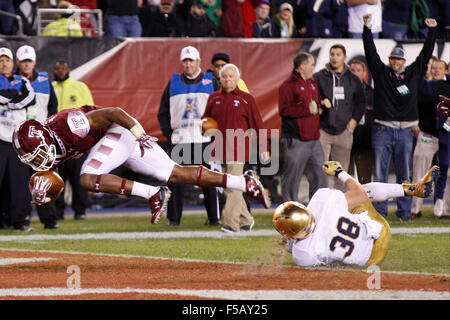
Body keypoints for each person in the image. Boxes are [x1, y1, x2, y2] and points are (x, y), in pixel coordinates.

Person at [12, 105, 271, 226]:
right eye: (32, 158)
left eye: (36, 154)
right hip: (115, 143)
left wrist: (137, 132)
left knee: (87, 178)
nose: (37, 161)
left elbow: (113, 112)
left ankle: (152, 193)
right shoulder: (48, 148)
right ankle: (244, 182)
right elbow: (54, 181)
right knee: (175, 173)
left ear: (45, 139)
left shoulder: (69, 124)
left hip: (121, 130)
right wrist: (45, 194)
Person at [273, 161, 439, 267]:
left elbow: (307, 248)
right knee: (362, 191)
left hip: (370, 260)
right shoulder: (322, 200)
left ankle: (417, 188)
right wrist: (340, 172)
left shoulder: (302, 255)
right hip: (380, 234)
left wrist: (290, 243)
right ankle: (414, 188)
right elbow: (360, 194)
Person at [362, 13, 437, 221]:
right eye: (393, 58)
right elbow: (370, 52)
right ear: (390, 60)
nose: (396, 62)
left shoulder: (413, 73)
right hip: (382, 129)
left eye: (399, 59)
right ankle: (380, 213)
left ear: (404, 61)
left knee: (405, 175)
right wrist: (367, 29)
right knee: (380, 175)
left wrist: (432, 31)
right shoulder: (380, 72)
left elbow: (425, 54)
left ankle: (404, 213)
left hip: (405, 131)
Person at [157, 46, 233, 226]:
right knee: (176, 181)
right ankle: (174, 219)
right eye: (185, 61)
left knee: (209, 180)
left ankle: (214, 218)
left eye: (191, 61)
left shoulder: (211, 81)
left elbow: (221, 109)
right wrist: (170, 134)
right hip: (180, 141)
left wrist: (215, 135)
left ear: (198, 62)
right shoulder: (173, 82)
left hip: (203, 141)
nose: (188, 64)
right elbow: (163, 112)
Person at [203, 63, 269, 233]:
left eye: (231, 76)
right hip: (218, 148)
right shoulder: (213, 98)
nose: (227, 79)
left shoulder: (247, 99)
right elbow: (205, 120)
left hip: (239, 148)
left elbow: (258, 125)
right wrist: (203, 126)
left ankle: (231, 225)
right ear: (220, 79)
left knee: (233, 187)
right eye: (224, 76)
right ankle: (246, 219)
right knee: (226, 187)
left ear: (238, 78)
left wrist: (264, 146)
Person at [14, 45, 59, 229]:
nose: (26, 64)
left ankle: (49, 219)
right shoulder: (10, 81)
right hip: (17, 139)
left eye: (29, 61)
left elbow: (53, 106)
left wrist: (49, 130)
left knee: (43, 179)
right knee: (19, 182)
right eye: (23, 61)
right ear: (18, 62)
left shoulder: (44, 81)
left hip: (40, 140)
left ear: (34, 61)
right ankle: (21, 219)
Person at [278, 52, 330, 204]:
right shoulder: (287, 86)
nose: (314, 67)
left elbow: (316, 104)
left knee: (320, 176)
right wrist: (308, 110)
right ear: (302, 66)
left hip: (314, 140)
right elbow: (284, 110)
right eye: (311, 64)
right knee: (292, 178)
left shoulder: (312, 83)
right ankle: (288, 210)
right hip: (296, 139)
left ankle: (317, 209)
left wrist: (323, 104)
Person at [313, 44, 366, 192]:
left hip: (344, 130)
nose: (334, 57)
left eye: (338, 54)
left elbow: (361, 102)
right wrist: (320, 102)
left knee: (341, 173)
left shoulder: (353, 79)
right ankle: (319, 201)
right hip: (323, 129)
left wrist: (354, 120)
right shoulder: (319, 77)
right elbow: (311, 97)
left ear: (344, 57)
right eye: (332, 54)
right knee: (319, 169)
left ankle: (339, 204)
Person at [52, 60, 94, 220]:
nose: (61, 71)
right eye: (58, 68)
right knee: (58, 178)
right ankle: (58, 211)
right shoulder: (51, 88)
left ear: (69, 70)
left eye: (63, 68)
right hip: (56, 143)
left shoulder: (80, 87)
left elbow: (91, 112)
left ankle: (80, 211)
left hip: (77, 142)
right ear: (54, 71)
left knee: (78, 178)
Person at [0, 47, 36, 232]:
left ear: (13, 63)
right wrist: (15, 96)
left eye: (7, 60)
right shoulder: (17, 86)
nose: (4, 63)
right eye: (1, 60)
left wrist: (9, 100)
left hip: (16, 143)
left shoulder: (22, 80)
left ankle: (19, 222)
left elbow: (30, 98)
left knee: (19, 185)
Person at [411, 59, 445, 219]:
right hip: (427, 134)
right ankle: (415, 209)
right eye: (434, 68)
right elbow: (411, 104)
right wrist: (414, 122)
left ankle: (445, 209)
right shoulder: (423, 86)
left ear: (445, 71)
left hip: (446, 136)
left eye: (440, 68)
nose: (437, 70)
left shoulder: (447, 87)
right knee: (420, 171)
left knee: (448, 173)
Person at [348, 59, 374, 185]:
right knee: (344, 178)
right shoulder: (344, 91)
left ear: (364, 73)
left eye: (358, 70)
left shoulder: (372, 93)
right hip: (346, 139)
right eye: (352, 70)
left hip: (365, 141)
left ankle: (364, 204)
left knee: (365, 180)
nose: (355, 73)